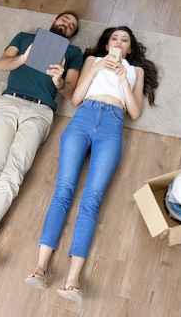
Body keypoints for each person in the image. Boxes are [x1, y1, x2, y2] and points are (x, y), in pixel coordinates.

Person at [24, 26, 159, 302]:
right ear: (106, 44)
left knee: (92, 200)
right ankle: (40, 268)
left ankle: (72, 280)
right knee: (63, 192)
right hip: (84, 117)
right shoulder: (92, 61)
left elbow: (133, 113)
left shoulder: (136, 72)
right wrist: (97, 69)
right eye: (114, 39)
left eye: (124, 40)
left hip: (112, 124)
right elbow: (75, 99)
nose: (118, 42)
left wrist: (123, 79)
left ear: (129, 49)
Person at [0, 11, 84, 282]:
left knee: (14, 172)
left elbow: (70, 92)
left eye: (71, 27)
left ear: (71, 34)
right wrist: (24, 57)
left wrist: (59, 81)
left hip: (40, 111)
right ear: (52, 23)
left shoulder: (73, 52)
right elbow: (1, 64)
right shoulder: (25, 38)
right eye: (64, 21)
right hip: (10, 102)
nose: (67, 26)